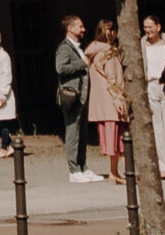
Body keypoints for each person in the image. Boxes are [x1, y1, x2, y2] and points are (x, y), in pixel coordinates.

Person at [85, 18, 127, 178]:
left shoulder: (94, 52)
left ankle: (116, 172)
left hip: (102, 103)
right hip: (111, 101)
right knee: (120, 139)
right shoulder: (109, 52)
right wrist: (117, 98)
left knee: (114, 140)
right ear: (113, 33)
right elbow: (112, 78)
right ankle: (119, 172)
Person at [54, 14, 93, 182]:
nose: (83, 29)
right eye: (80, 26)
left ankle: (83, 167)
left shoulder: (76, 46)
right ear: (70, 28)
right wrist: (81, 64)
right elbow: (60, 68)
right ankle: (74, 170)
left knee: (82, 132)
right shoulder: (64, 48)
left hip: (82, 95)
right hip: (71, 95)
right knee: (72, 133)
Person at [143, 13, 165, 180]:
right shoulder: (143, 43)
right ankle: (162, 165)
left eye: (150, 26)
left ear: (158, 27)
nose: (148, 30)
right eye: (145, 27)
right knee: (156, 127)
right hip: (151, 85)